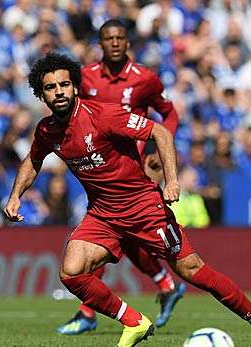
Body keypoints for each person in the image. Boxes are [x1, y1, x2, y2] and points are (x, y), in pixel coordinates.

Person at [4, 52, 251, 347]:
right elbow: (32, 160)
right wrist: (15, 196)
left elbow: (161, 132)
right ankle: (134, 322)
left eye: (64, 84)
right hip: (103, 214)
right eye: (51, 87)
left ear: (75, 86)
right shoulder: (47, 131)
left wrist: (172, 180)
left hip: (144, 208)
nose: (59, 91)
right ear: (41, 95)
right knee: (72, 272)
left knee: (192, 270)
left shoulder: (104, 115)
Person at [57, 19, 185, 335]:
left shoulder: (145, 79)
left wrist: (161, 144)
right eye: (108, 38)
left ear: (127, 42)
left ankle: (89, 312)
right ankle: (166, 284)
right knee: (116, 235)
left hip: (136, 166)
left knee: (112, 231)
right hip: (101, 166)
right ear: (100, 43)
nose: (114, 43)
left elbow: (169, 114)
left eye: (120, 38)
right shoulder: (85, 77)